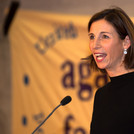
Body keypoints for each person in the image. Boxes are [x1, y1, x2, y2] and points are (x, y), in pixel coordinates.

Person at [87, 6, 134, 134]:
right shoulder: (101, 96)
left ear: (126, 42)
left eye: (105, 37)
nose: (95, 45)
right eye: (92, 37)